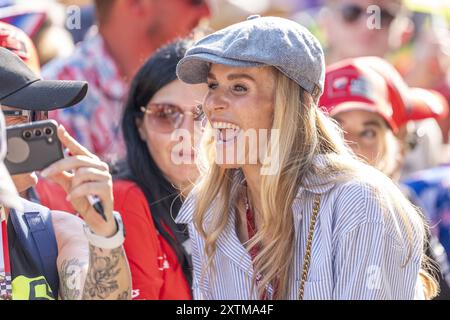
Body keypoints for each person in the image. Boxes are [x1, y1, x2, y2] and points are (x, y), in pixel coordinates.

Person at [174, 15, 437, 300]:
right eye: (213, 85)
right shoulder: (208, 208)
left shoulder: (360, 202)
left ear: (293, 104)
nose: (213, 104)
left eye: (239, 87)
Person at [0, 47, 130, 300]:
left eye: (43, 116)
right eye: (28, 116)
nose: (40, 128)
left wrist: (103, 232)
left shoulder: (55, 231)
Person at [319, 56, 450, 299]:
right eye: (336, 129)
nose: (350, 145)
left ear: (397, 149)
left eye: (368, 133)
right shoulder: (293, 207)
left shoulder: (405, 207)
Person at [43, 0, 210, 162]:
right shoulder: (57, 97)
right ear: (135, 2)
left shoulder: (207, 80)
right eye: (195, 1)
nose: (207, 12)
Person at [113, 38, 207, 300]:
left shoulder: (239, 201)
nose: (186, 133)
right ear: (139, 125)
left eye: (204, 115)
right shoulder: (126, 199)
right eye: (166, 114)